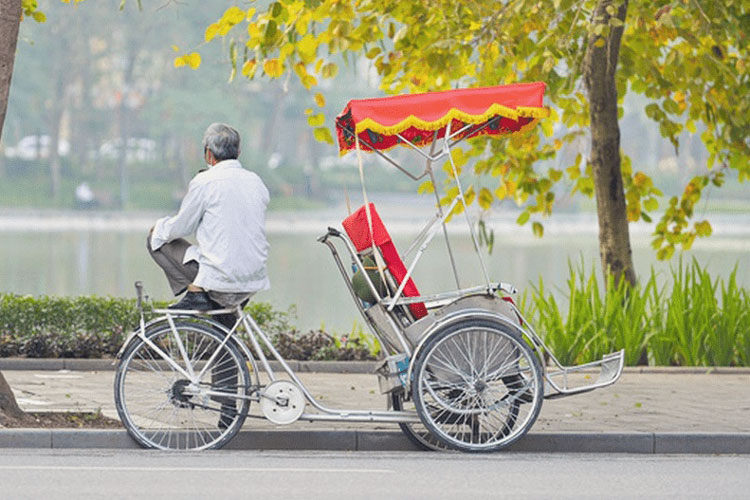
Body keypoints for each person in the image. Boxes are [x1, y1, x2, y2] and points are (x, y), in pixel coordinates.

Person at [147, 123, 270, 429]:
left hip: (220, 277)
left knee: (156, 240)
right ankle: (229, 411)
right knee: (224, 336)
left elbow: (180, 227)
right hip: (250, 278)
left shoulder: (206, 182)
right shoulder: (256, 182)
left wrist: (157, 228)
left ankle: (195, 293)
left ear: (208, 154)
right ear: (238, 152)